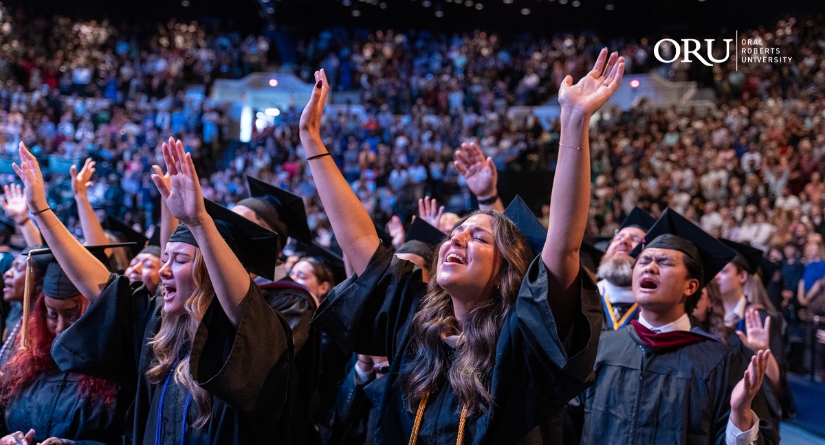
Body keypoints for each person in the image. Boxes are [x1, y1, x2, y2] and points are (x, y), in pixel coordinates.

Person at [301, 49, 623, 443]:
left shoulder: (522, 338)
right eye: (456, 233)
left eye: (480, 237)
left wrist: (573, 123)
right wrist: (312, 143)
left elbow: (564, 247)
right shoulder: (415, 324)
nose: (456, 237)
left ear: (509, 268)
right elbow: (362, 242)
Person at [13, 140, 297, 445]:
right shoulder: (158, 332)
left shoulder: (253, 338)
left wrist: (200, 222)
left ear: (210, 274)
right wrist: (41, 211)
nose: (164, 270)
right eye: (166, 258)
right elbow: (103, 285)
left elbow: (242, 308)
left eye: (180, 260)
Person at [578, 208, 779, 445]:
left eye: (663, 262)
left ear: (691, 286)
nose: (649, 268)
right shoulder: (600, 350)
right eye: (643, 261)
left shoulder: (721, 364)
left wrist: (740, 416)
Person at [0, 247, 124, 445]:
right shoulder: (27, 367)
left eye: (73, 316)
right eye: (51, 314)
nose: (60, 328)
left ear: (97, 314)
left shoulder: (120, 372)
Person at [233, 175, 321, 445]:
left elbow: (261, 365)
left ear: (266, 236)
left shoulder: (295, 299)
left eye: (239, 222)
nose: (226, 230)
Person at [596, 207, 655, 331]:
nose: (623, 241)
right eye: (618, 238)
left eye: (634, 239)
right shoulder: (583, 297)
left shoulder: (658, 309)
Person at [0, 246, 47, 368]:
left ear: (40, 282)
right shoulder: (17, 309)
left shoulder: (44, 326)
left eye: (18, 269)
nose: (7, 273)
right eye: (12, 267)